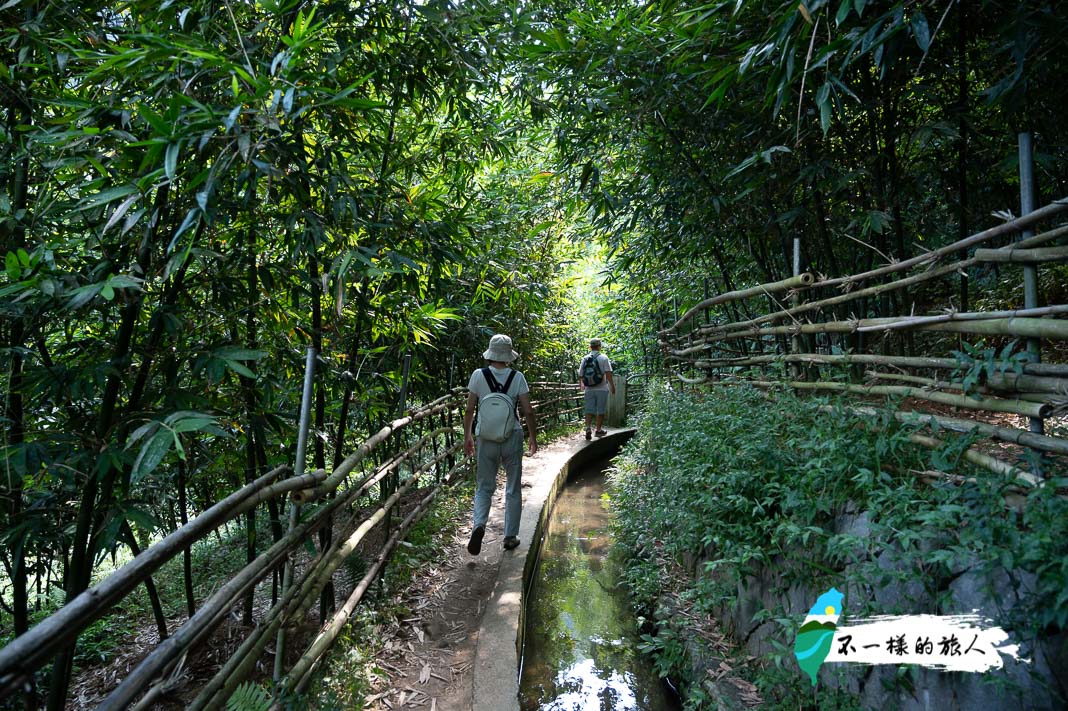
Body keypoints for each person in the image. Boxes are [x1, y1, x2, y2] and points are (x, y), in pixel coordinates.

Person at [463, 334, 538, 555]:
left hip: (486, 438)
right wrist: (532, 437)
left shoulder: (478, 375)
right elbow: (528, 411)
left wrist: (468, 436)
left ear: (490, 353)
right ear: (508, 355)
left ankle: (479, 525)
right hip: (511, 435)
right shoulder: (517, 377)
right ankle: (510, 536)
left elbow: (469, 409)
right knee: (513, 487)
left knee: (484, 486)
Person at [578, 338, 615, 439]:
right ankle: (598, 430)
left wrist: (581, 384)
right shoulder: (604, 358)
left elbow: (580, 374)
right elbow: (608, 373)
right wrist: (612, 386)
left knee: (589, 409)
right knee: (601, 410)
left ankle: (588, 428)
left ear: (590, 347)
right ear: (600, 346)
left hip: (589, 388)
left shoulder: (585, 358)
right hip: (602, 388)